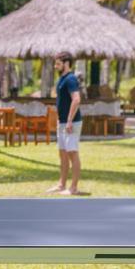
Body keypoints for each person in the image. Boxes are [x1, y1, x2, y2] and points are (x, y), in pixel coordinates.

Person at [47, 51, 85, 195]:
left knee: (72, 153)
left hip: (71, 123)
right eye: (55, 63)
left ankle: (73, 188)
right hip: (62, 122)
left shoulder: (70, 79)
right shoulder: (62, 79)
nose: (55, 66)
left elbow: (76, 99)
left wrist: (69, 120)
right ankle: (61, 185)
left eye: (58, 64)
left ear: (66, 63)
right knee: (62, 154)